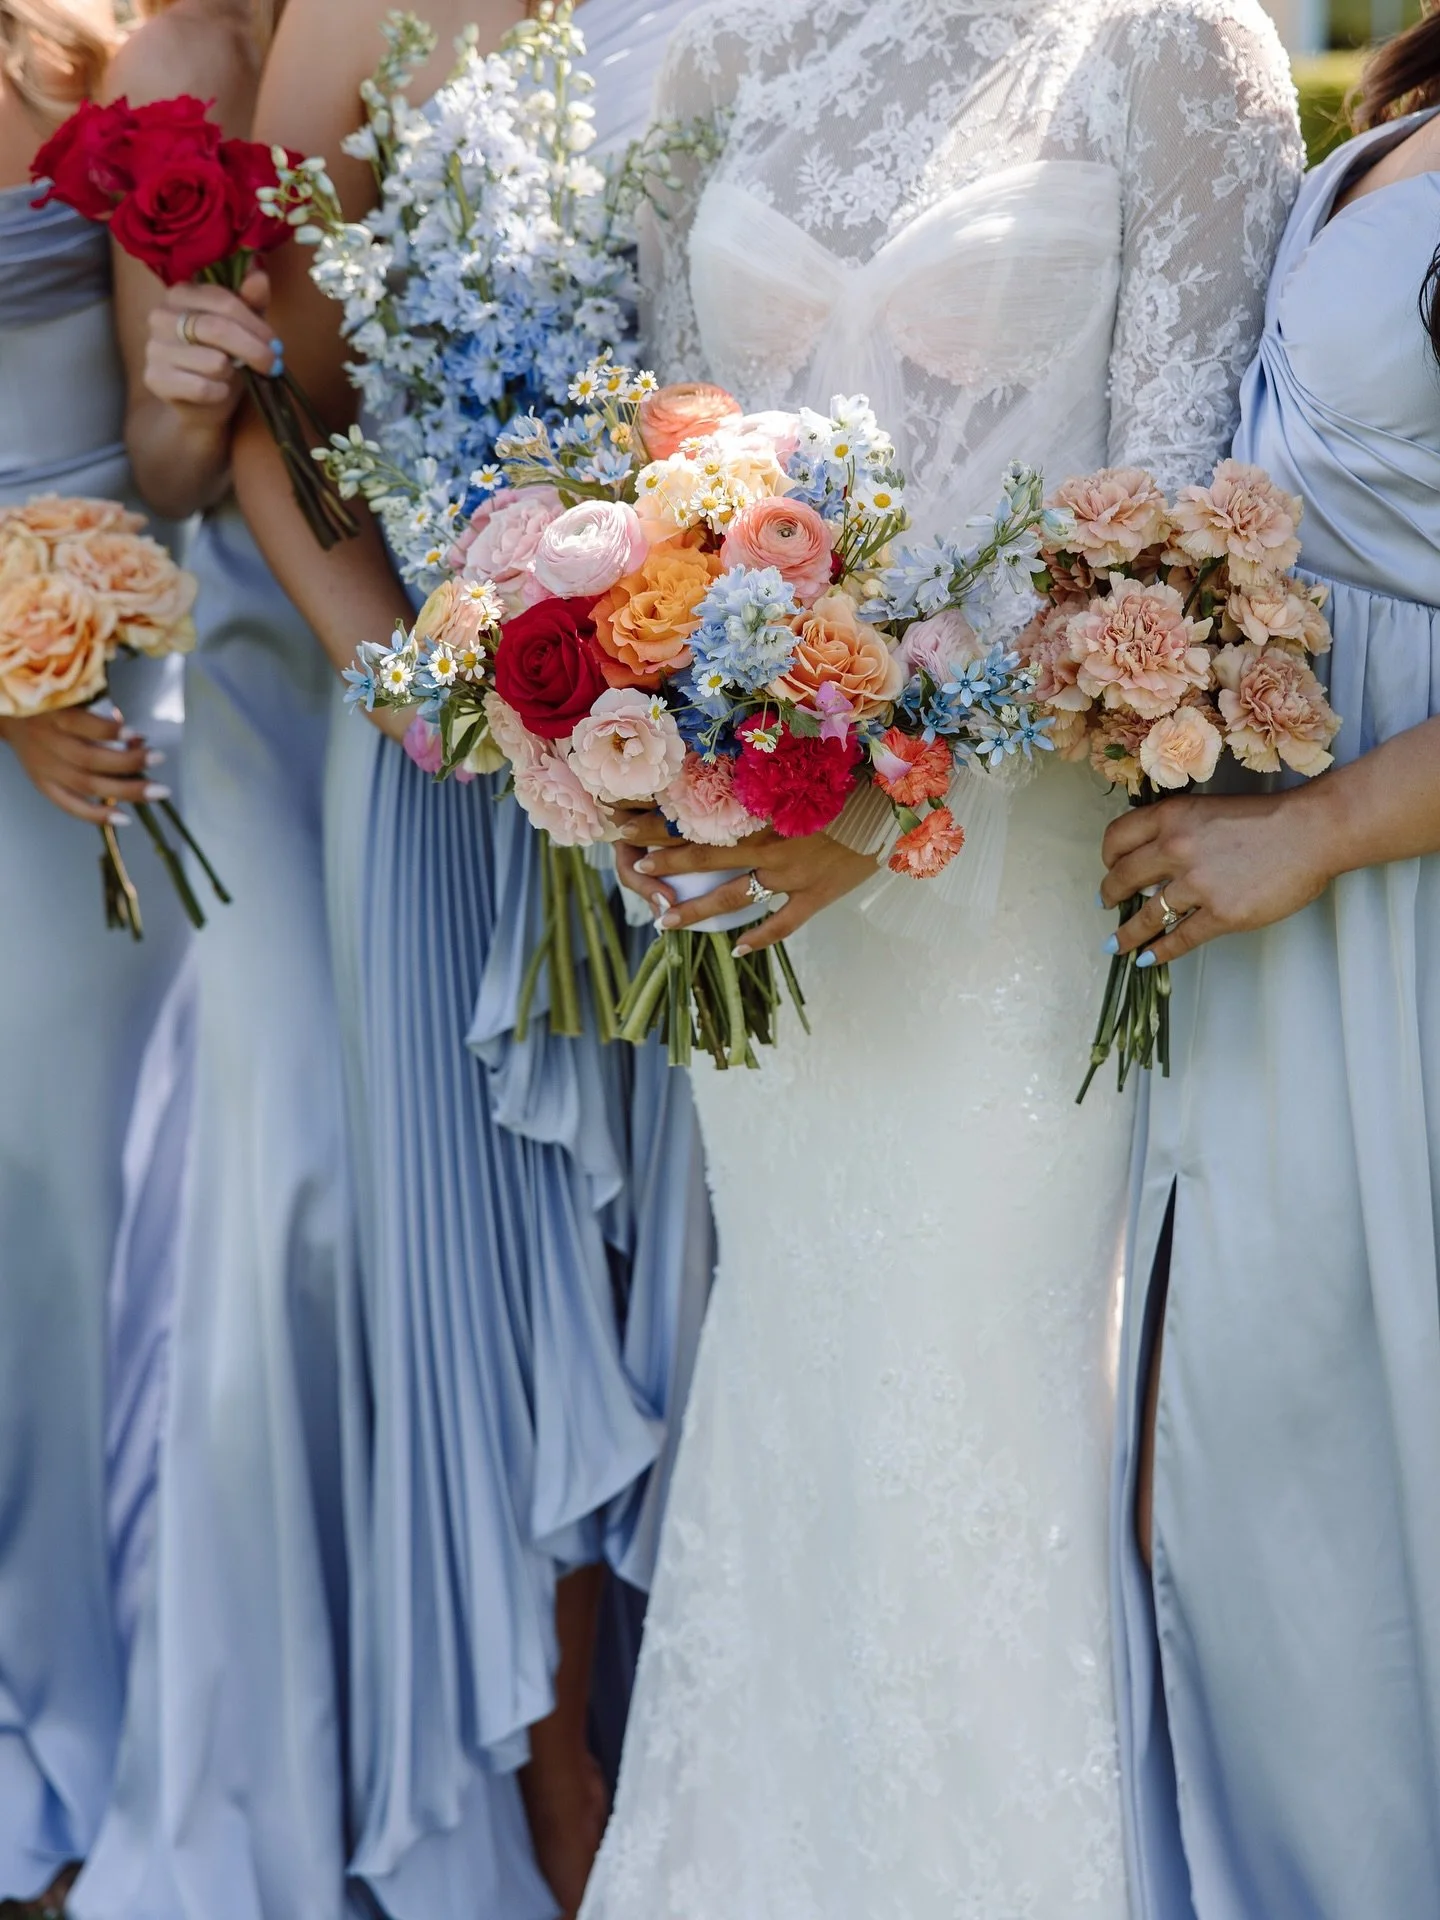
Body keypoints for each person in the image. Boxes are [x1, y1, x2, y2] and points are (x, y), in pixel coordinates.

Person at [586, 0, 1301, 1912]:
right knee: (798, 1416)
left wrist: (886, 800)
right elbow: (661, 472)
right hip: (765, 903)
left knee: (972, 1431)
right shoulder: (724, 56)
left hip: (1015, 908)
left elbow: (1168, 547)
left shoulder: (1174, 45)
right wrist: (662, 748)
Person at [238, 3, 711, 1914]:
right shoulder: (366, 11)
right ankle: (534, 1797)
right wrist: (415, 690)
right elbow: (275, 419)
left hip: (697, 737)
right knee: (497, 1276)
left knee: (668, 1253)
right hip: (449, 754)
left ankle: (698, 1746)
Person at [1105, 21, 1440, 1916]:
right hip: (1268, 908)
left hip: (1385, 905)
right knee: (1247, 1506)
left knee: (1365, 1508)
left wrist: (1314, 829)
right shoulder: (1395, 115)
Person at [56, 5, 361, 1919]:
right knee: (297, 1170)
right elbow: (168, 466)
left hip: (497, 599)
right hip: (258, 660)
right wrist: (184, 369)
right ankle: (246, 1779)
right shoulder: (177, 37)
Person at [0, 4, 190, 1911]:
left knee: (83, 1211)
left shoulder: (94, 58)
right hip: (15, 707)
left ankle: (113, 1695)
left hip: (128, 697)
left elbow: (159, 428)